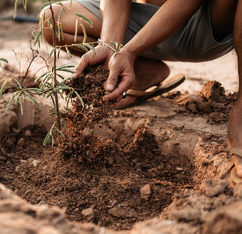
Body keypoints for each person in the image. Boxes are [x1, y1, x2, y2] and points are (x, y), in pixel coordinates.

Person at [40, 0, 242, 183]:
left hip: (208, 26)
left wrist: (129, 51)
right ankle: (143, 71)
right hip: (147, 22)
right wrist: (111, 45)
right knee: (52, 19)